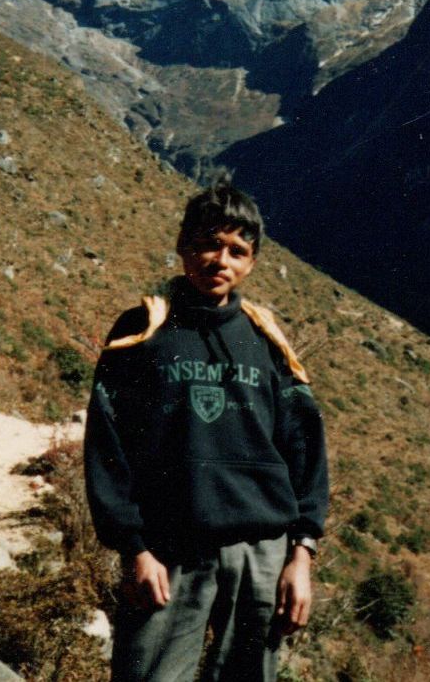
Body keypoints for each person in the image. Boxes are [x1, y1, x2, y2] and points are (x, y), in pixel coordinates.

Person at [84, 181, 329, 682]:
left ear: (253, 262)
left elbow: (305, 452)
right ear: (182, 245)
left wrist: (300, 556)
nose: (221, 260)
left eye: (237, 251)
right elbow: (108, 446)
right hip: (168, 551)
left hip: (261, 554)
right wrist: (134, 549)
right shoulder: (142, 331)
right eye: (208, 244)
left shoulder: (267, 342)